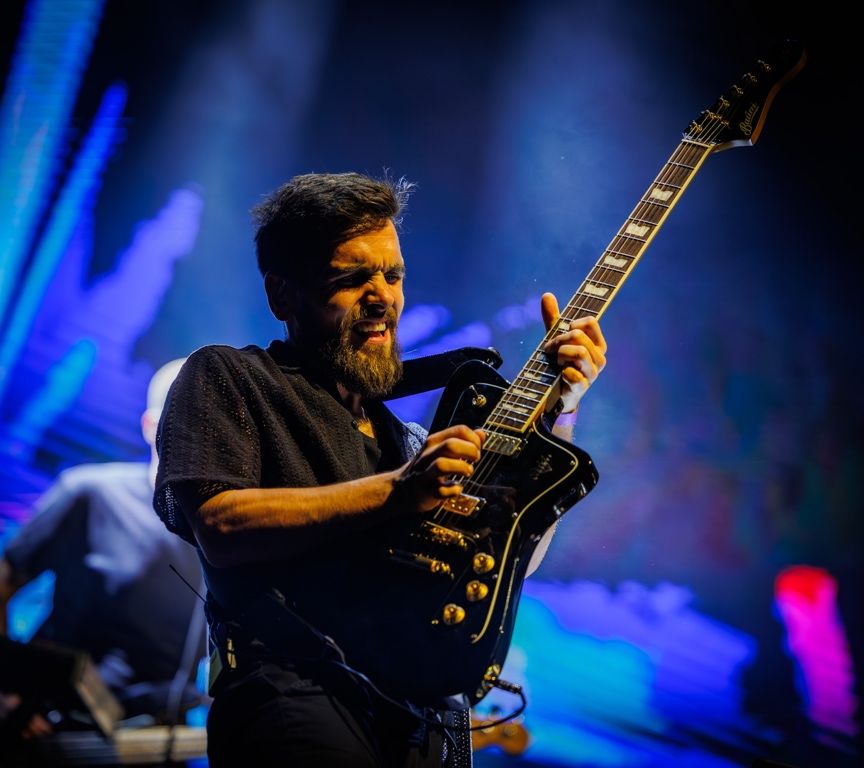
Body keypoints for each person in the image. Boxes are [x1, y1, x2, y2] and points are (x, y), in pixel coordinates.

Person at [153, 171, 607, 767]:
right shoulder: (230, 377)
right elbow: (219, 524)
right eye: (351, 278)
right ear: (282, 295)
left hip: (425, 723)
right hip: (297, 698)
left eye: (393, 276)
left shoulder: (406, 441)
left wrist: (561, 410)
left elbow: (508, 556)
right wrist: (398, 490)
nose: (382, 297)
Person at [0, 358, 206, 736]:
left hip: (158, 737)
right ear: (151, 426)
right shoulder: (91, 493)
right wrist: (7, 695)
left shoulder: (224, 526)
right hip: (63, 727)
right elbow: (4, 583)